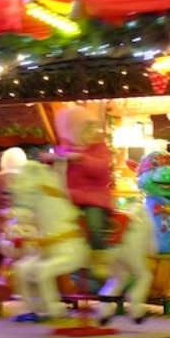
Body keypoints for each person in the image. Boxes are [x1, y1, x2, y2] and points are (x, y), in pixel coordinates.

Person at [42, 106, 114, 278]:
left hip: (93, 198)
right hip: (69, 198)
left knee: (94, 223)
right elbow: (55, 174)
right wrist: (49, 161)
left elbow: (101, 170)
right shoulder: (64, 148)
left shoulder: (99, 148)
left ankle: (99, 257)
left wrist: (81, 158)